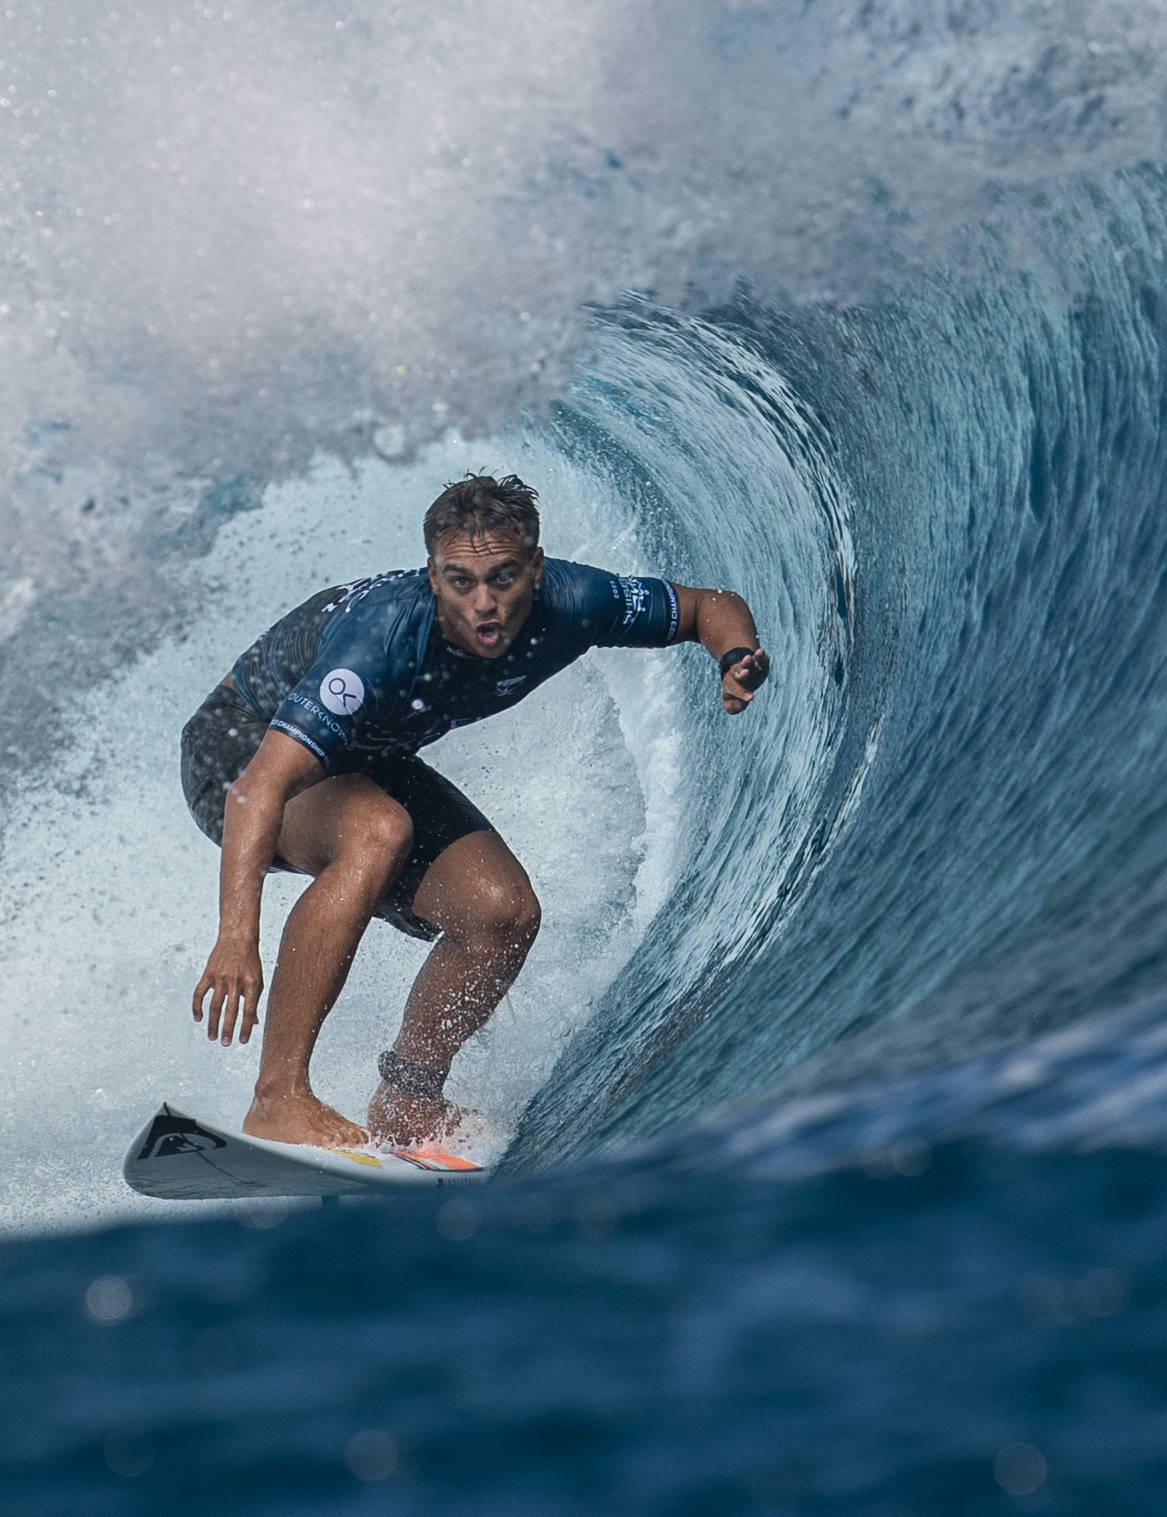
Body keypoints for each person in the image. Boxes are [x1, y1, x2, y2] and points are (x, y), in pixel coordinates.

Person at [182, 471, 768, 1158]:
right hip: (238, 751)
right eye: (460, 580)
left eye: (503, 577)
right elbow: (258, 786)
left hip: (362, 760)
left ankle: (407, 1100)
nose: (484, 602)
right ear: (433, 577)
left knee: (502, 911)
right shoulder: (381, 641)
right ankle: (277, 1097)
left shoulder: (575, 600)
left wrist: (734, 653)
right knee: (378, 830)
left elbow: (706, 604)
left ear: (536, 569)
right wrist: (234, 937)